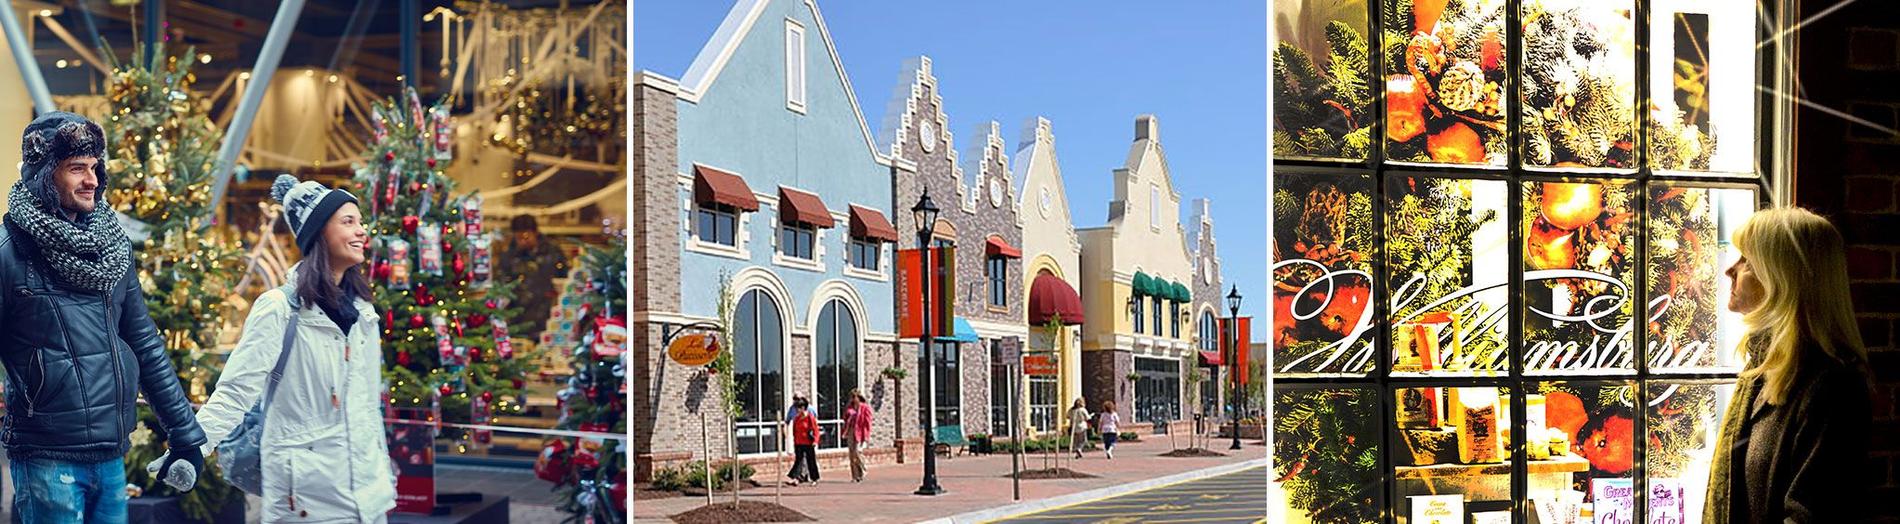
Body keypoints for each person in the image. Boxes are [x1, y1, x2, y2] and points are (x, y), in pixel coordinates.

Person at [0, 112, 207, 522]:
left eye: (94, 167)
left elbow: (144, 342)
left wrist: (184, 435)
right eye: (77, 168)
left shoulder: (111, 248)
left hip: (112, 455)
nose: (92, 180)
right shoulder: (9, 252)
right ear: (43, 173)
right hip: (47, 457)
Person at [195, 175, 396, 522]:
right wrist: (191, 447)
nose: (362, 231)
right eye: (349, 222)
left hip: (368, 496)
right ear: (319, 232)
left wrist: (382, 475)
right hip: (305, 499)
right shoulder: (278, 308)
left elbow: (367, 408)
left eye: (360, 222)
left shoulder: (364, 313)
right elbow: (235, 392)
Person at [1704, 207, 1872, 524]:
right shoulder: (1763, 368)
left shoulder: (1832, 387)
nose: (1731, 270)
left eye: (1748, 262)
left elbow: (1813, 514)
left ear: (1782, 278)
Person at [501, 214, 566, 343]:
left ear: (535, 233)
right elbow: (503, 281)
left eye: (526, 236)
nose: (523, 241)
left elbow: (562, 278)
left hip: (547, 315)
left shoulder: (552, 252)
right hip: (518, 317)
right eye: (518, 238)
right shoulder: (509, 256)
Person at [789, 397, 823, 485]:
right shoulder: (796, 418)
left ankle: (814, 478)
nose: (797, 410)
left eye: (799, 408)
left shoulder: (810, 418)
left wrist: (815, 440)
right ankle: (796, 477)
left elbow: (815, 430)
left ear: (803, 408)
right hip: (799, 442)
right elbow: (794, 430)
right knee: (798, 460)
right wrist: (794, 441)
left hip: (808, 442)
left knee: (811, 460)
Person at [842, 389, 873, 482]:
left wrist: (867, 434)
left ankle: (863, 470)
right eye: (851, 397)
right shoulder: (850, 408)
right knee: (851, 454)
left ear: (858, 397)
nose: (853, 399)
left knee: (857, 452)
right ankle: (855, 476)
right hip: (850, 431)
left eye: (854, 397)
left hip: (860, 431)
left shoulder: (865, 407)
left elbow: (868, 421)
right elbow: (845, 418)